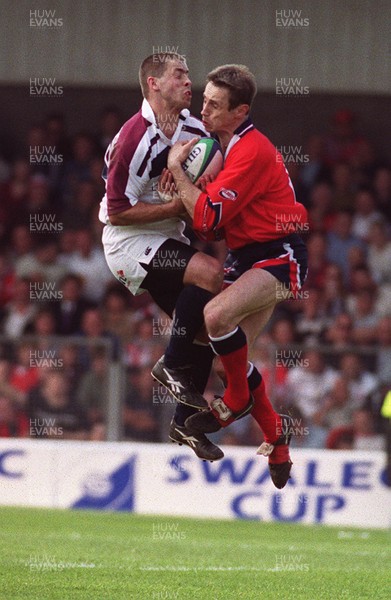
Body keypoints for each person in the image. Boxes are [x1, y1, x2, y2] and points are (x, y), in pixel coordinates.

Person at [165, 64, 308, 488]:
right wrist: (196, 190)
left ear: (240, 111)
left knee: (215, 317)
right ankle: (277, 441)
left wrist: (178, 170)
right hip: (244, 256)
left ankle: (238, 400)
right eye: (204, 99)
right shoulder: (219, 145)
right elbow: (209, 228)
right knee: (231, 366)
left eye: (214, 104)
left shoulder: (250, 150)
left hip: (279, 255)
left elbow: (207, 214)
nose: (203, 108)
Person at [98, 52, 223, 461]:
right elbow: (116, 210)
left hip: (168, 234)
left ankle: (183, 423)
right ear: (153, 83)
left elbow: (208, 176)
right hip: (128, 240)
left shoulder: (194, 128)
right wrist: (173, 207)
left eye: (189, 73)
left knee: (209, 321)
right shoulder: (132, 138)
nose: (189, 81)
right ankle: (168, 364)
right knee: (209, 272)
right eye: (179, 74)